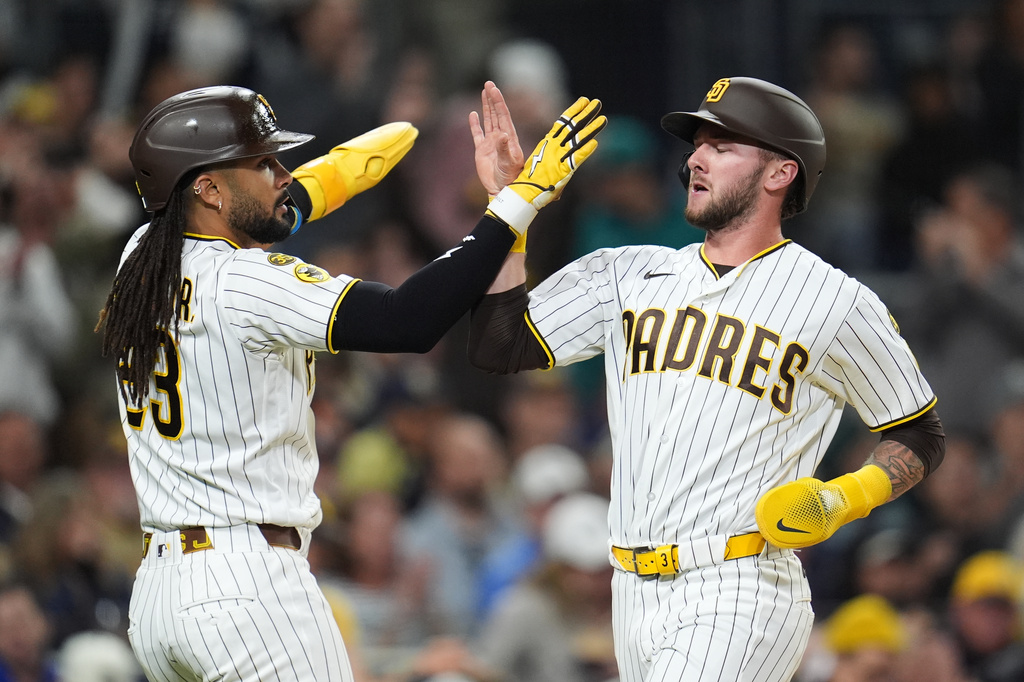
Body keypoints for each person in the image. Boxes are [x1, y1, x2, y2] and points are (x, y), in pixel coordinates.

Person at [93, 82, 605, 681]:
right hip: (247, 587)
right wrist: (516, 204)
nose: (283, 172)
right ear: (207, 188)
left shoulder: (140, 255)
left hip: (161, 596)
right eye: (263, 163)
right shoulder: (247, 283)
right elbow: (408, 320)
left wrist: (318, 186)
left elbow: (247, 218)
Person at [468, 76, 945, 681]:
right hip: (631, 591)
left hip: (740, 583)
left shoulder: (836, 301)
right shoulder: (629, 271)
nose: (695, 156)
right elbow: (498, 343)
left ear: (780, 173)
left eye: (722, 145)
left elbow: (920, 433)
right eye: (698, 144)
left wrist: (843, 497)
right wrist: (514, 208)